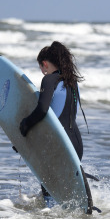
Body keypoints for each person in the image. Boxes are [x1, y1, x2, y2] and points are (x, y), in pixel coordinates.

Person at [19, 41, 89, 206]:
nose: (43, 72)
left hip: (58, 144)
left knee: (51, 197)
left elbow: (42, 111)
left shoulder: (49, 79)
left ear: (44, 64)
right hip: (76, 145)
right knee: (67, 196)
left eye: (41, 68)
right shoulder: (72, 82)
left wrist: (25, 125)